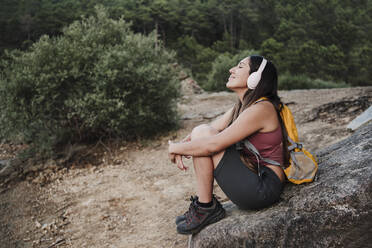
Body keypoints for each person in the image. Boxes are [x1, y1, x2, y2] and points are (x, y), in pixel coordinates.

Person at [168, 55, 290, 235]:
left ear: (254, 77)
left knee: (204, 137)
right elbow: (208, 130)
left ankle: (206, 207)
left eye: (239, 67)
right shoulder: (244, 106)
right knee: (202, 132)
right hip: (253, 175)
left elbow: (212, 144)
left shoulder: (261, 109)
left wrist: (174, 149)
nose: (231, 70)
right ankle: (205, 206)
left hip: (263, 188)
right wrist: (181, 145)